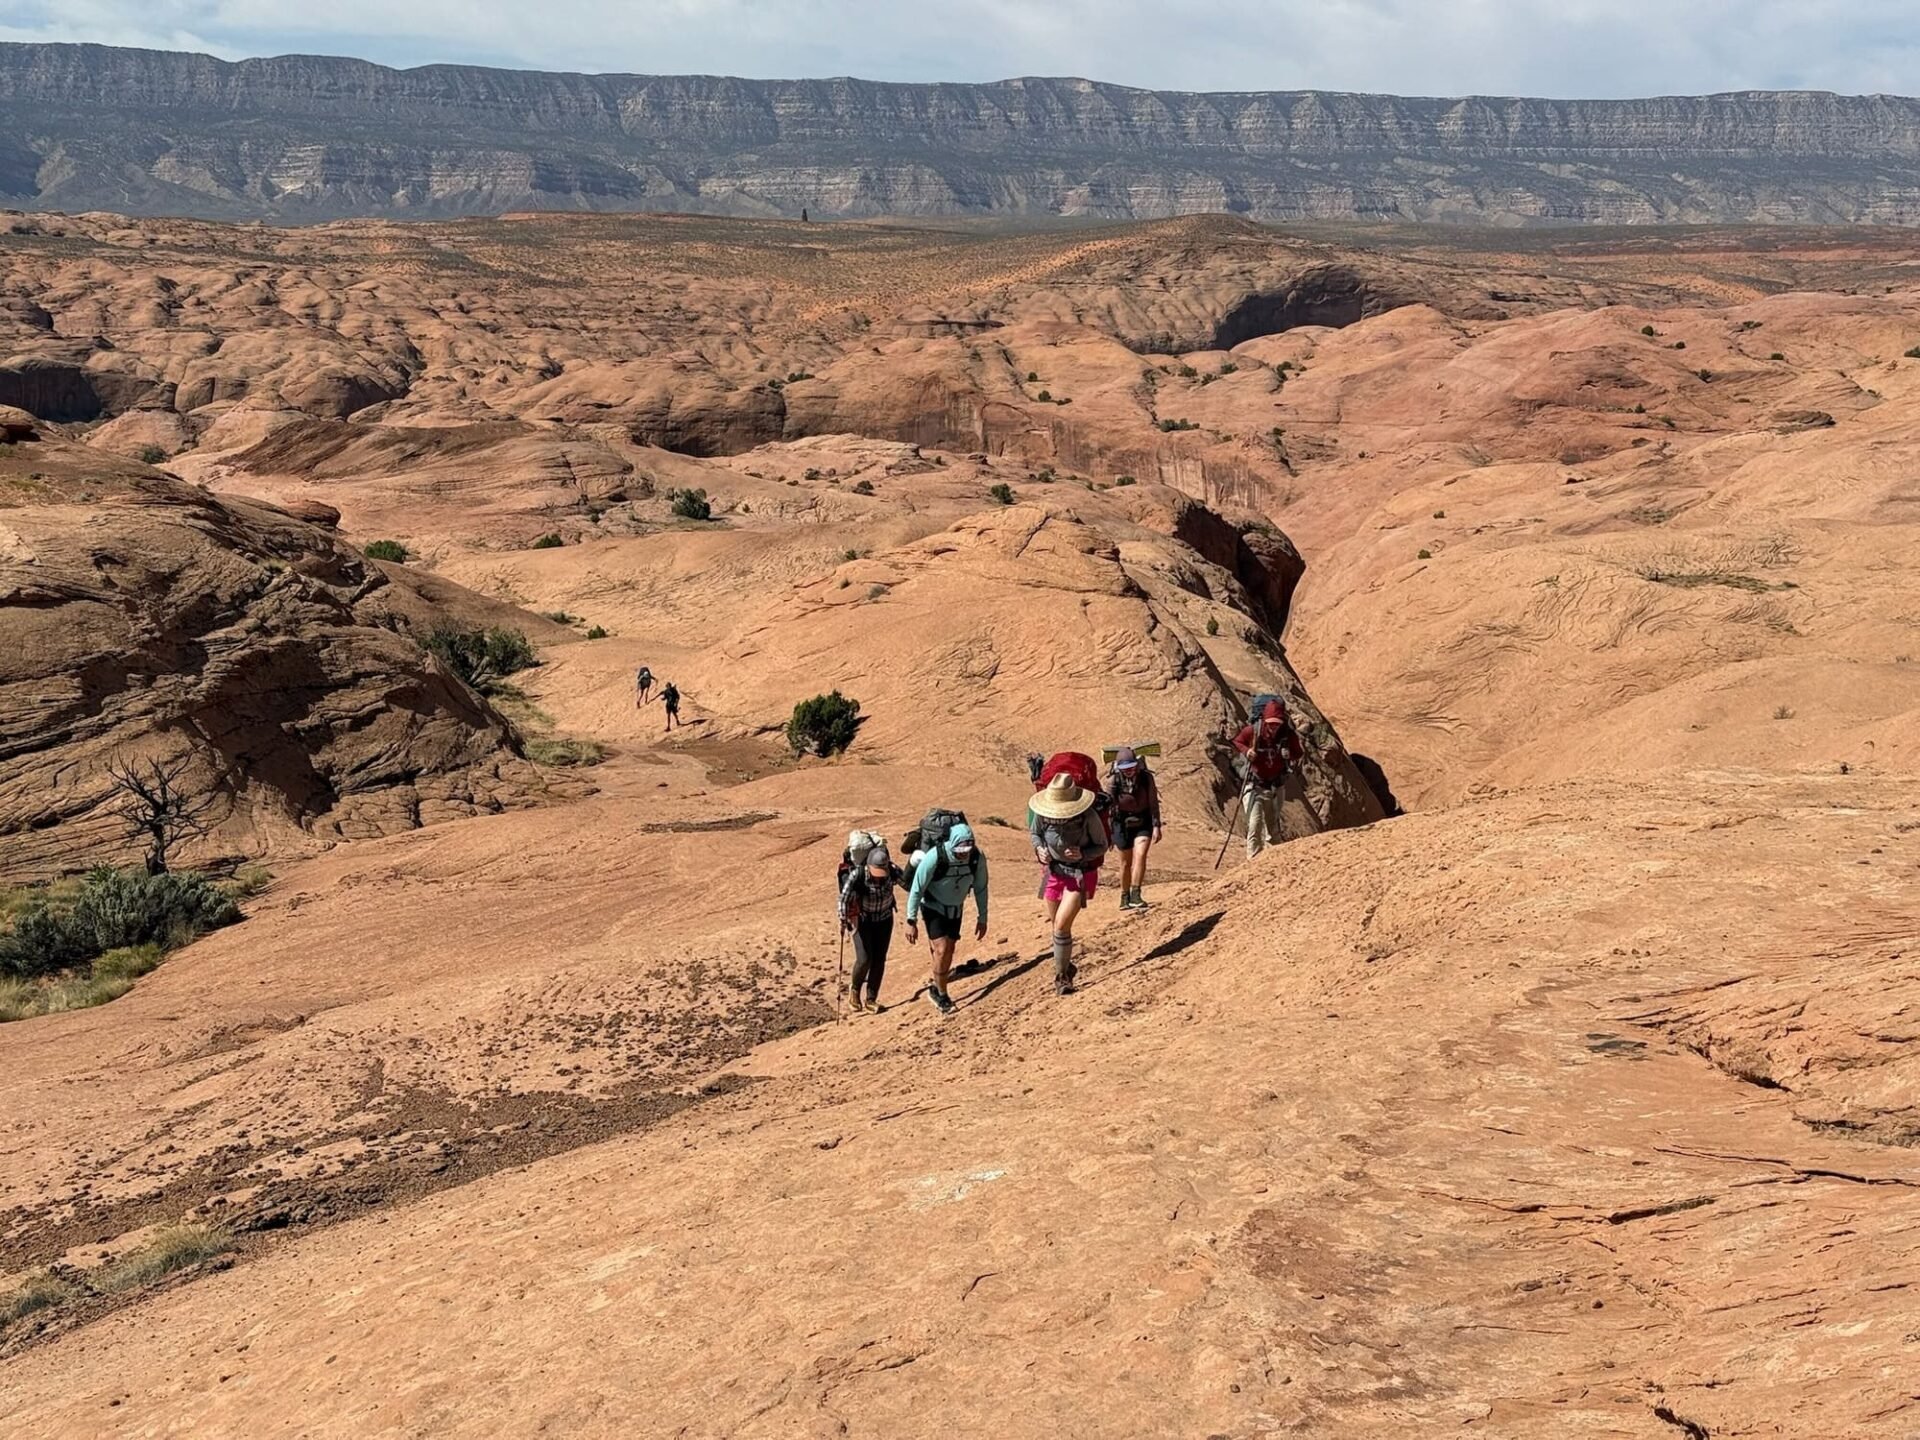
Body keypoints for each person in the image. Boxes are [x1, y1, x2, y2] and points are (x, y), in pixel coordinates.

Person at [1028, 772, 1108, 995]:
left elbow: (1101, 845)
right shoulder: (1043, 813)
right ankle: (1066, 964)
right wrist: (1039, 849)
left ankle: (1061, 978)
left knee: (1061, 927)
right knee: (1057, 928)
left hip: (1079, 875)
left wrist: (1082, 853)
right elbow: (1035, 834)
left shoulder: (1087, 816)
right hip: (1052, 872)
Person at [904, 822, 988, 1016]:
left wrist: (982, 917)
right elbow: (917, 888)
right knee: (942, 950)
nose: (964, 853)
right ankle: (940, 993)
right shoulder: (935, 856)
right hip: (933, 906)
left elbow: (981, 888)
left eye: (967, 848)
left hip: (955, 909)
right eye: (960, 849)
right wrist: (911, 920)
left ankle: (936, 984)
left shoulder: (976, 858)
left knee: (949, 950)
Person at [1232, 698, 1320, 859]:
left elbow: (1298, 753)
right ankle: (1253, 860)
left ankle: (1273, 860)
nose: (1274, 727)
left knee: (1273, 826)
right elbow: (1238, 741)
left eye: (1277, 723)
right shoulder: (1254, 731)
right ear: (1264, 720)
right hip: (1254, 784)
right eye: (1271, 723)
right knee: (1254, 825)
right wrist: (1246, 751)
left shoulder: (1287, 735)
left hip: (1275, 785)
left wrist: (1289, 754)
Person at [840, 841, 901, 1013]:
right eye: (876, 873)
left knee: (879, 959)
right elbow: (844, 898)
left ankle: (871, 999)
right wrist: (844, 918)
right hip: (863, 920)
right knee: (865, 958)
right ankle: (855, 990)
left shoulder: (892, 871)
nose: (879, 876)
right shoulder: (858, 875)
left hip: (884, 919)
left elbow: (908, 882)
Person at [1107, 746, 1163, 911]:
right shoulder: (1114, 781)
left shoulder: (1146, 779)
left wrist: (1156, 826)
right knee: (1125, 863)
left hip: (1143, 820)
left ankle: (1136, 893)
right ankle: (1125, 896)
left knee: (1141, 855)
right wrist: (1108, 832)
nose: (1129, 771)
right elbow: (1108, 808)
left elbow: (1153, 803)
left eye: (1132, 767)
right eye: (1125, 768)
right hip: (1121, 823)